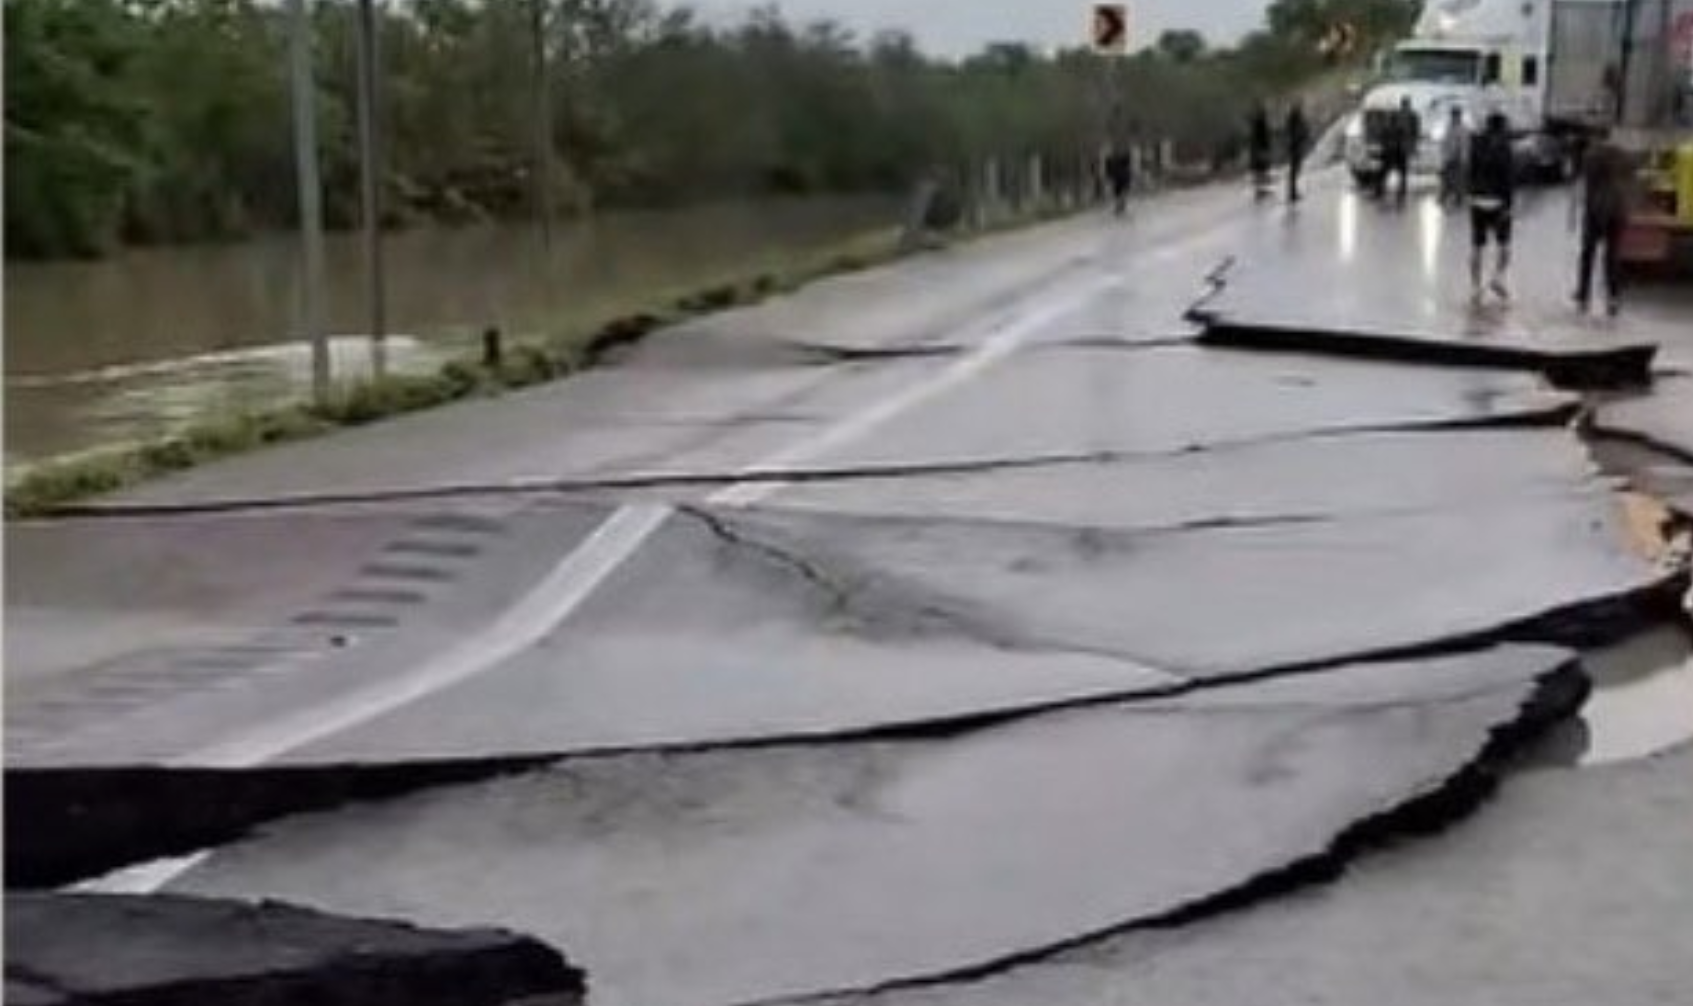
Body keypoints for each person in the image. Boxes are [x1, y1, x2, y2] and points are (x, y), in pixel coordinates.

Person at [1574, 128, 1633, 315]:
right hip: (1618, 209)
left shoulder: (1590, 155)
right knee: (1612, 255)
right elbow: (1629, 179)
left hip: (1596, 210)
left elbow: (1587, 183)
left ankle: (1583, 295)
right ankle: (1613, 297)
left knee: (1588, 254)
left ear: (1596, 136)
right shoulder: (1623, 155)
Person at [1467, 111, 1516, 303]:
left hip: (1477, 200)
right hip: (1498, 202)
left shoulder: (1476, 144)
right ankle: (1498, 277)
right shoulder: (1505, 147)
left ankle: (1475, 287)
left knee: (1477, 246)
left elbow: (1469, 170)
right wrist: (1509, 204)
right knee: (1504, 245)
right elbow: (1508, 178)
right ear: (1502, 126)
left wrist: (1470, 194)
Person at [1381, 97, 1421, 202]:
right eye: (1404, 104)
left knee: (1397, 171)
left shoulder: (1412, 116)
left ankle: (1400, 190)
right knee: (1397, 171)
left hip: (1399, 149)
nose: (1405, 106)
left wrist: (1413, 144)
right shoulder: (1404, 119)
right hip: (1398, 149)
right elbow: (1415, 132)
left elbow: (1415, 131)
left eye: (1406, 104)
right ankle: (1399, 190)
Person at [1438, 107, 1470, 208]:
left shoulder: (1463, 128)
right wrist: (1444, 155)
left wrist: (1463, 157)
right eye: (1453, 115)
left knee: (1459, 179)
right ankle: (1444, 196)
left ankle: (1458, 198)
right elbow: (1445, 142)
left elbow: (1465, 144)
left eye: (1456, 115)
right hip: (1449, 157)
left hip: (1458, 157)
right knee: (1447, 178)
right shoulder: (1449, 127)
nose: (1454, 117)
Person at [1285, 102, 1311, 203]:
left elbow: (1302, 130)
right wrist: (1303, 134)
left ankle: (1293, 192)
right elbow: (1299, 132)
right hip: (1295, 147)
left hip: (1295, 146)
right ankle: (1292, 193)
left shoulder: (1294, 120)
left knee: (1295, 170)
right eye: (1299, 108)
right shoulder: (1295, 120)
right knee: (1294, 170)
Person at [1248, 103, 1273, 198]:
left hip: (1258, 149)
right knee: (1261, 171)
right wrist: (1264, 149)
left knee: (1260, 171)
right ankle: (1260, 191)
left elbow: (1258, 137)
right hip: (1260, 149)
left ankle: (1260, 190)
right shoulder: (1260, 122)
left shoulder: (1257, 122)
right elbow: (1262, 137)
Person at [1103, 145, 1134, 217]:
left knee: (1118, 192)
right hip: (1122, 176)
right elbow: (1128, 163)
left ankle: (1119, 205)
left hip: (1118, 176)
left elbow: (1108, 169)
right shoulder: (1111, 158)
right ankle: (1120, 204)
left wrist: (1109, 177)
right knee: (1121, 191)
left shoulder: (1110, 158)